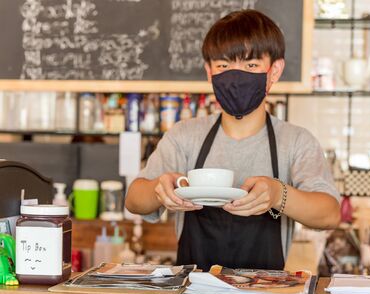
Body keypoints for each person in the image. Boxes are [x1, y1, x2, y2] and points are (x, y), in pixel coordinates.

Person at [125, 9, 340, 271]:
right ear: (209, 72)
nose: (236, 76)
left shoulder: (296, 142)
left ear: (274, 71)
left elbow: (329, 213)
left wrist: (277, 195)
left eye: (251, 66)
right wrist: (159, 188)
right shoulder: (185, 136)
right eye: (224, 66)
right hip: (193, 291)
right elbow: (134, 200)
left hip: (266, 293)